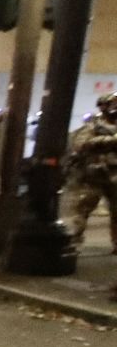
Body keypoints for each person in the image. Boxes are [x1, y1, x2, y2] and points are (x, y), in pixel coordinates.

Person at [66, 91, 117, 252]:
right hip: (95, 175)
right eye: (112, 104)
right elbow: (82, 144)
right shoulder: (93, 126)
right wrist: (110, 140)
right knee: (83, 209)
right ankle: (75, 240)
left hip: (114, 175)